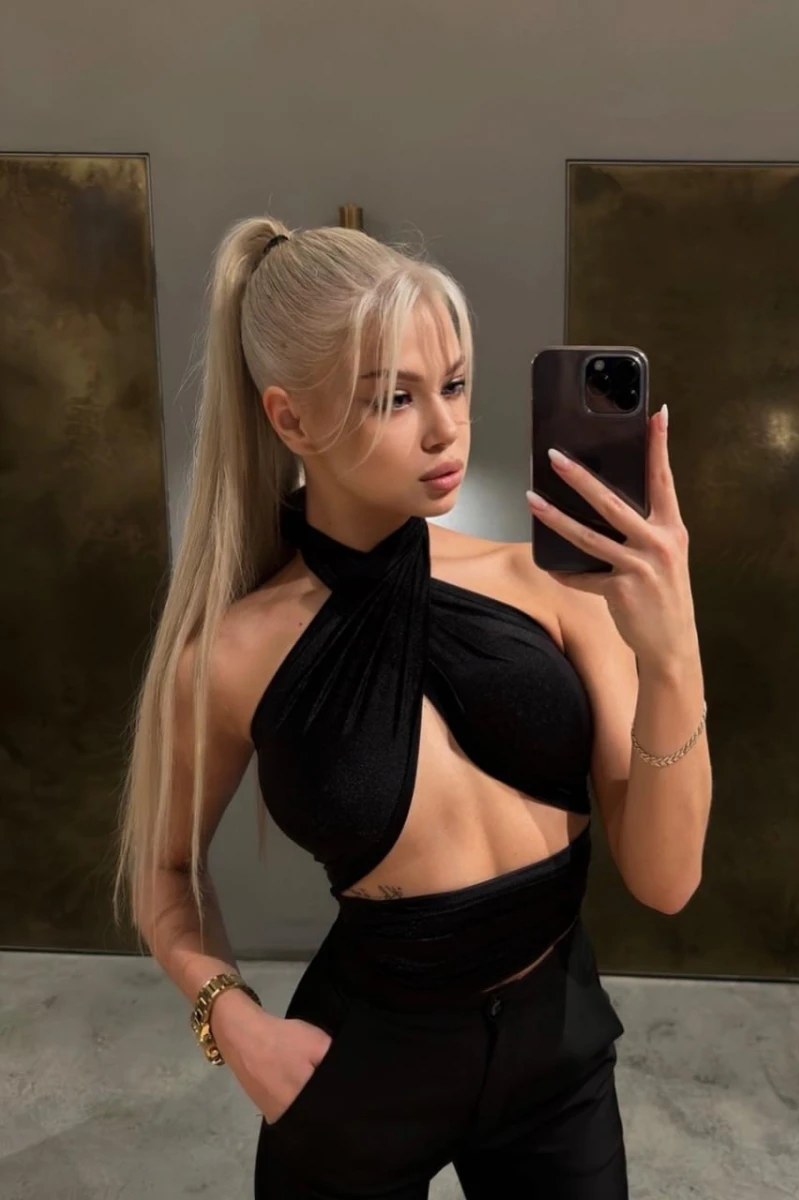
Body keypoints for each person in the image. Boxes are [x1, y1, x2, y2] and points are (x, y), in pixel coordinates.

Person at [113, 217, 712, 1199]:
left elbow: (665, 881)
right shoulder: (230, 654)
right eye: (394, 397)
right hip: (360, 1068)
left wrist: (673, 651)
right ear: (290, 419)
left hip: (556, 1055)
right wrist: (229, 1016)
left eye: (455, 384)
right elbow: (164, 869)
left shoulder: (550, 588)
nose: (444, 428)